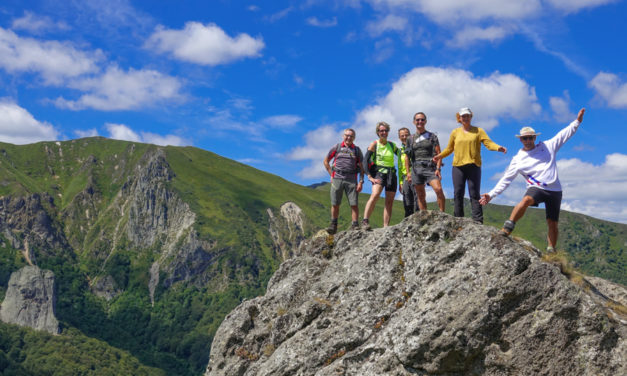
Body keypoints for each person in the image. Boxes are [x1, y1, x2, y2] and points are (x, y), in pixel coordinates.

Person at [479, 108, 586, 253]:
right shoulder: (517, 159)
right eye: (525, 138)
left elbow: (564, 135)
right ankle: (507, 228)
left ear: (535, 138)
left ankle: (551, 251)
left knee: (552, 223)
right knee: (526, 200)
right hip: (537, 187)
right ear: (520, 140)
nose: (528, 140)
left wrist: (577, 121)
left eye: (530, 137)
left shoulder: (548, 146)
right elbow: (506, 179)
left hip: (555, 190)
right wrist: (491, 194)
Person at [433, 107, 507, 223]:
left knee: (474, 193)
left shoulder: (478, 131)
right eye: (463, 116)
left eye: (468, 116)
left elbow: (488, 143)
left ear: (471, 117)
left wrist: (498, 148)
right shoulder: (455, 132)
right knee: (458, 193)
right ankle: (458, 220)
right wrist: (439, 156)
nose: (466, 118)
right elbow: (449, 148)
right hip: (458, 166)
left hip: (474, 165)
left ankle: (478, 220)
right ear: (459, 118)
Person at [323, 128, 365, 234]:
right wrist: (331, 175)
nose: (348, 138)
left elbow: (362, 166)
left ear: (354, 138)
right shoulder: (337, 147)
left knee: (354, 203)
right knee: (335, 203)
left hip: (351, 179)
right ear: (343, 136)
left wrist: (360, 182)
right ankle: (333, 225)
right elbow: (326, 161)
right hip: (337, 177)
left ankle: (355, 225)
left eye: (351, 136)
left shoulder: (356, 150)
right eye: (347, 135)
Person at [362, 121, 401, 229]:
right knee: (375, 195)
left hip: (391, 174)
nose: (383, 132)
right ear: (378, 132)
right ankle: (365, 221)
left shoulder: (392, 145)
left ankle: (385, 226)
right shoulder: (374, 144)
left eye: (385, 130)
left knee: (389, 200)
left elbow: (402, 155)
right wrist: (369, 176)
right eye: (381, 131)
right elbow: (365, 161)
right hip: (379, 173)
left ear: (388, 132)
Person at [404, 112, 446, 212]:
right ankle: (424, 216)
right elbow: (406, 157)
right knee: (420, 195)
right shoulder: (410, 138)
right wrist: (408, 173)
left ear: (425, 121)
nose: (420, 122)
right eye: (418, 120)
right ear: (414, 122)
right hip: (416, 168)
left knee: (438, 189)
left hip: (430, 167)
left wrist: (438, 169)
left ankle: (442, 214)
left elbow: (439, 154)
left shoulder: (432, 136)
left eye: (422, 119)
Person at [398, 127, 418, 217]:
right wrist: (400, 182)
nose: (405, 137)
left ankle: (419, 219)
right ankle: (408, 221)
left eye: (406, 135)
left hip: (416, 175)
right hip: (405, 177)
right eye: (402, 135)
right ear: (399, 137)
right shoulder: (400, 150)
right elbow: (399, 167)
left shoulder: (415, 146)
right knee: (407, 200)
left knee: (417, 198)